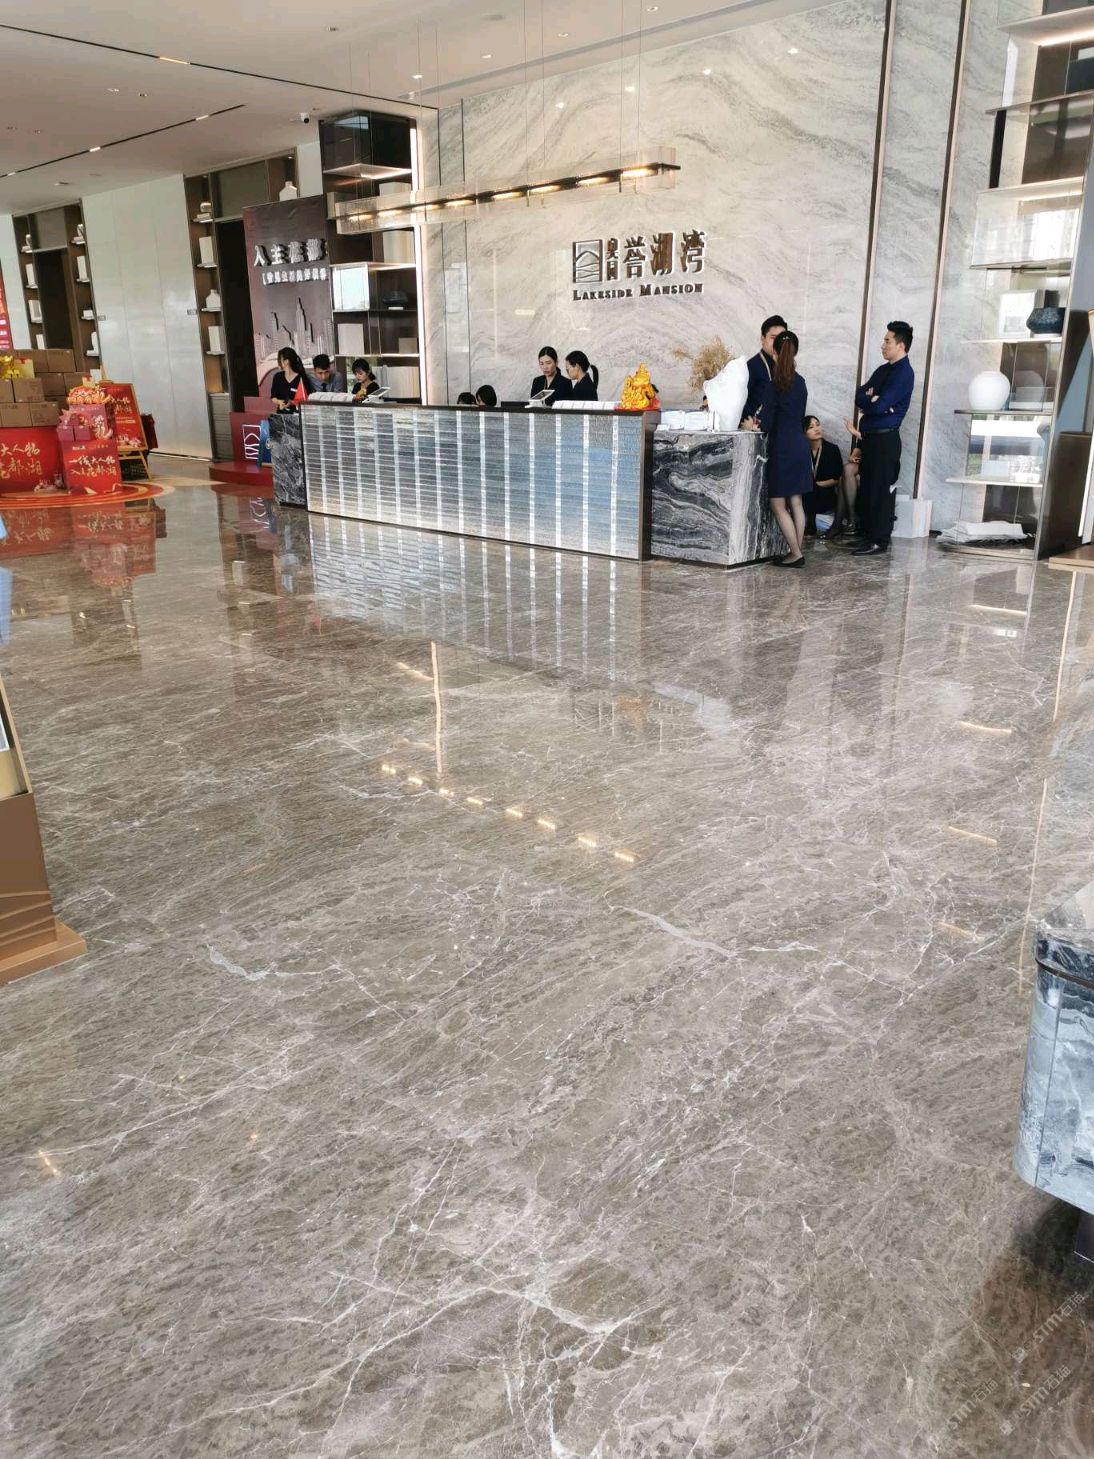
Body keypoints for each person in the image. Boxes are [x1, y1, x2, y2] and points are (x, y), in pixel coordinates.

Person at [747, 330, 811, 568]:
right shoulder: (801, 382)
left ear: (774, 352)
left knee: (777, 504)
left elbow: (767, 423)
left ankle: (795, 554)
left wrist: (752, 426)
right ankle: (796, 551)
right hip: (800, 446)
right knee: (796, 502)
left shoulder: (774, 385)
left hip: (782, 448)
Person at [850, 321, 915, 556]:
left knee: (880, 491)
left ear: (900, 345)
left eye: (887, 341)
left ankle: (879, 540)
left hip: (886, 441)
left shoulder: (904, 373)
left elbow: (880, 406)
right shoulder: (882, 370)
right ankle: (868, 537)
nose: (883, 345)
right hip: (870, 439)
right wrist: (872, 399)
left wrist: (875, 401)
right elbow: (859, 395)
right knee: (868, 489)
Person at [742, 314, 788, 425]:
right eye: (773, 338)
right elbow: (738, 400)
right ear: (763, 339)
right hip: (757, 430)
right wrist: (749, 422)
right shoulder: (751, 366)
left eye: (782, 338)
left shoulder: (787, 368)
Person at [803, 416, 843, 535]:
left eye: (818, 424)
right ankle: (809, 521)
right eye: (811, 427)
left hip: (825, 496)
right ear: (803, 433)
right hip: (806, 497)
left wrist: (817, 485)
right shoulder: (802, 451)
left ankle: (810, 521)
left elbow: (838, 478)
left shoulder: (832, 449)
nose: (816, 429)